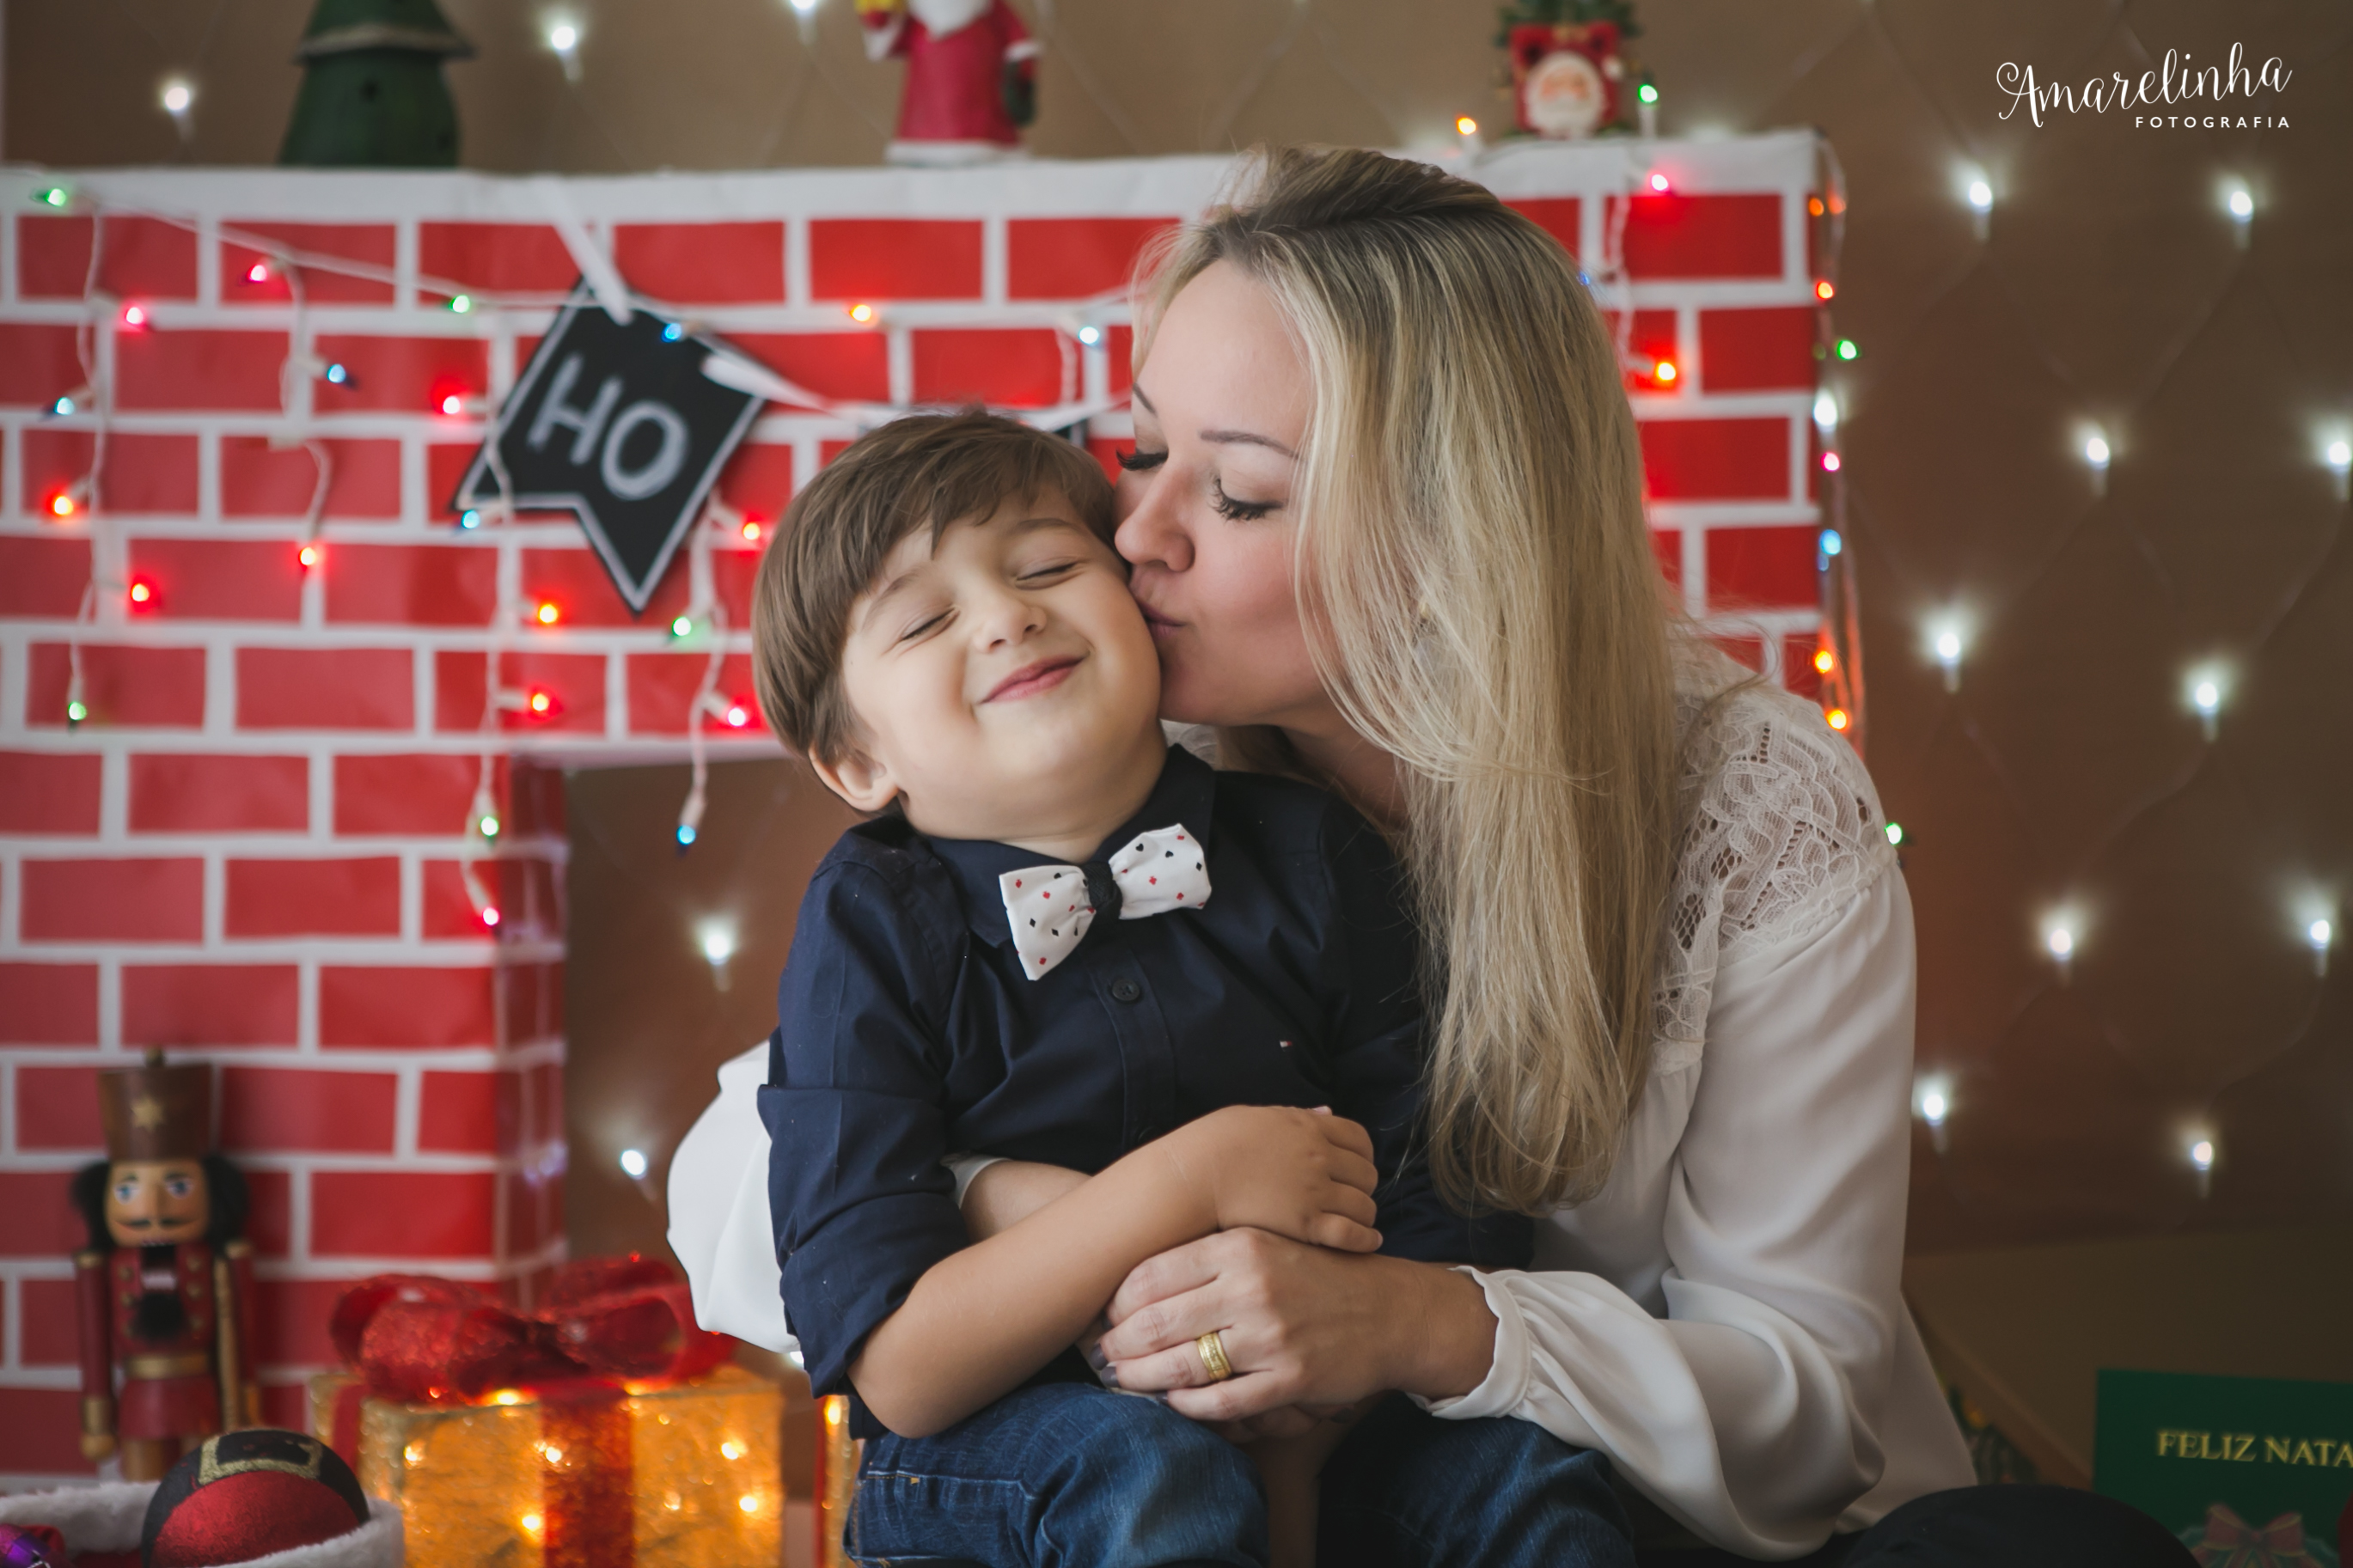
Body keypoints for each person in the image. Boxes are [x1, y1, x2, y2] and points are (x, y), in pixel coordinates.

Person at [674, 149, 2191, 1567]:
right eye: (1144, 453)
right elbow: (740, 1181)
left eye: (1240, 490)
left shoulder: (1750, 808)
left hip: (1653, 1506)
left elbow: (1799, 1419)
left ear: (1451, 541)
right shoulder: (1109, 751)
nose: (1133, 539)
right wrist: (1089, 1203)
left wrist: (1408, 1323)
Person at [748, 409, 1634, 1567]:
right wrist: (1192, 1176)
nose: (1008, 615)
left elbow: (1449, 1201)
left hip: (1331, 1386)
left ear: (1142, 616)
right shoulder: (867, 925)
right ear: (860, 761)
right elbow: (904, 1370)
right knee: (1146, 1468)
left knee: (1522, 1471)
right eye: (924, 619)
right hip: (1002, 1442)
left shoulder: (1313, 852)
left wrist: (1319, 1406)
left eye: (1049, 566)